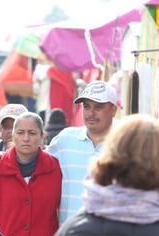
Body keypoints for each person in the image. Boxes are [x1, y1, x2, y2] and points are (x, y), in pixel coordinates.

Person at [47, 80, 119, 223]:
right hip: (70, 235)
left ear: (113, 110)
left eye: (98, 107)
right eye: (86, 107)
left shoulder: (127, 144)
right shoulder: (66, 139)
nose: (91, 113)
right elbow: (35, 163)